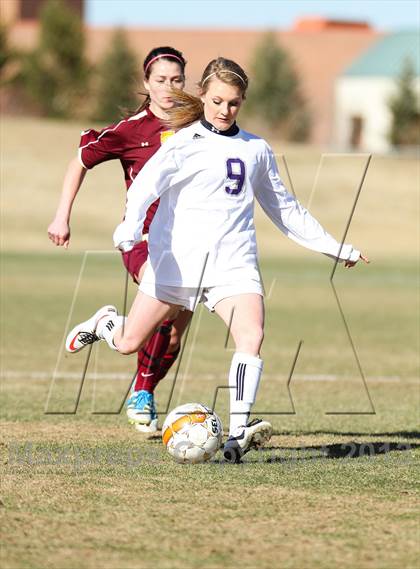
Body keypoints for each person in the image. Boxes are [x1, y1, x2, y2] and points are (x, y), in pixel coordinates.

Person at [65, 57, 369, 463]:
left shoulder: (256, 149)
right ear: (203, 95)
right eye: (217, 101)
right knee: (127, 344)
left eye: (234, 103)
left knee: (252, 336)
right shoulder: (181, 142)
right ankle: (106, 323)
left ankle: (238, 433)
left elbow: (285, 208)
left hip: (233, 264)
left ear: (242, 102)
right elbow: (144, 188)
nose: (224, 111)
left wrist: (335, 246)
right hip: (177, 262)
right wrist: (128, 229)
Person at [48, 46, 192, 433]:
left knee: (174, 332)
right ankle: (142, 394)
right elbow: (80, 159)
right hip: (142, 239)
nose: (169, 87)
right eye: (160, 80)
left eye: (176, 79)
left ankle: (132, 366)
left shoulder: (197, 124)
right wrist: (62, 215)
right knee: (165, 296)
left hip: (191, 244)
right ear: (146, 83)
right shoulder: (131, 130)